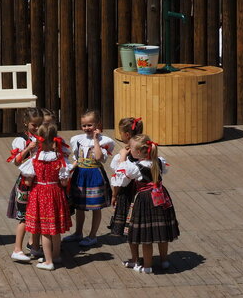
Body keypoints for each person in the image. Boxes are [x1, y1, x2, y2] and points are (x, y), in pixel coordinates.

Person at [112, 134, 179, 273]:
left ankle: (147, 266)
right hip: (161, 196)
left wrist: (123, 157)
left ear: (137, 152)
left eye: (131, 148)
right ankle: (164, 260)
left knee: (146, 235)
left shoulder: (135, 167)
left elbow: (121, 180)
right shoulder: (158, 162)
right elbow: (165, 170)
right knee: (161, 232)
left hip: (144, 200)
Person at [19, 123, 72, 270]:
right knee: (54, 229)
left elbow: (28, 182)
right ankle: (56, 255)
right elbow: (64, 181)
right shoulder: (61, 159)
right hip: (55, 192)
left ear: (39, 140)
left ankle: (48, 261)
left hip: (40, 194)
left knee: (45, 230)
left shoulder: (35, 159)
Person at [64, 109, 114, 246]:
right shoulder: (77, 139)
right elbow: (77, 158)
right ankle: (78, 233)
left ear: (98, 124)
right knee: (80, 206)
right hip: (80, 174)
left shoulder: (104, 140)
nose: (87, 128)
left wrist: (95, 140)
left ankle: (93, 236)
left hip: (94, 174)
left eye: (90, 125)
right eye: (84, 125)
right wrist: (69, 170)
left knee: (95, 207)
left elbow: (99, 158)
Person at [7, 108, 42, 262]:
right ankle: (17, 249)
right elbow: (16, 161)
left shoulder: (44, 137)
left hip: (41, 182)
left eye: (40, 125)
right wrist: (29, 148)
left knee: (38, 215)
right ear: (26, 123)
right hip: (26, 183)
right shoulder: (21, 139)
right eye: (34, 125)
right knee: (24, 217)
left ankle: (35, 246)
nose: (37, 128)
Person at [109, 117, 143, 267]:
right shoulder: (144, 149)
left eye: (121, 133)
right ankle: (147, 258)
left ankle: (135, 258)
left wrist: (114, 195)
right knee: (141, 227)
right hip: (142, 193)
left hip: (128, 195)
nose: (120, 135)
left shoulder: (124, 154)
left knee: (131, 229)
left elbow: (119, 179)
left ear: (127, 135)